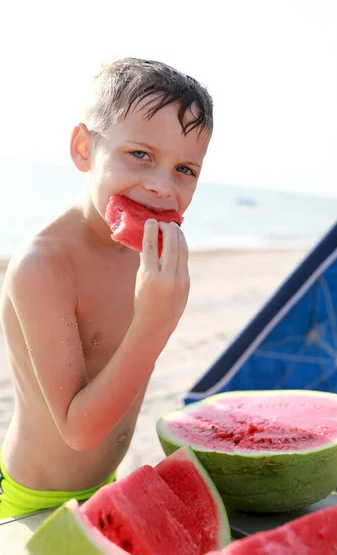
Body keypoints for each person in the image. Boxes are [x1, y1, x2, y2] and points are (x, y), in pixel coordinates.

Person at [0, 57, 213, 519]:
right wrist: (156, 322)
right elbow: (78, 430)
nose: (161, 186)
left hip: (105, 487)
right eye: (140, 155)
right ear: (83, 149)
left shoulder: (148, 253)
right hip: (32, 498)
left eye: (185, 170)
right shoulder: (42, 266)